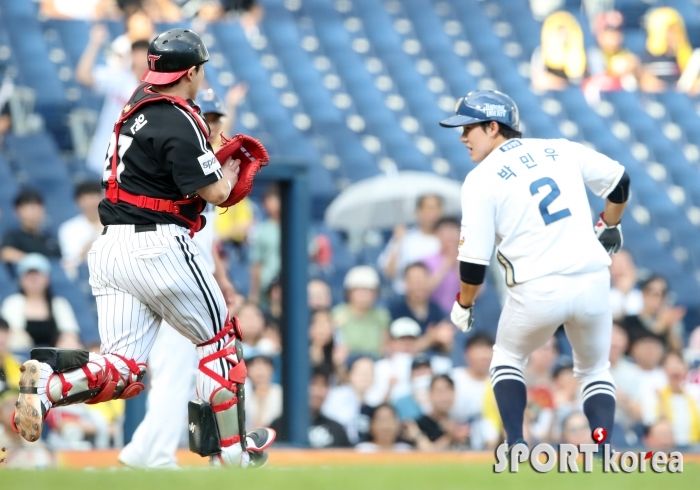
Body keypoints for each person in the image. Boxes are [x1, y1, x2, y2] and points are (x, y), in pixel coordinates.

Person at [11, 29, 274, 468]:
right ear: (190, 72)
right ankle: (233, 455)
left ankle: (49, 390)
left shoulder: (133, 105)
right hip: (159, 246)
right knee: (220, 343)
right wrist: (227, 168)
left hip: (111, 248)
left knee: (125, 369)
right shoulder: (179, 116)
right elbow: (216, 193)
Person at [441, 89, 630, 451]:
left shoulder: (481, 179)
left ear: (493, 127)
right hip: (591, 280)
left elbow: (472, 263)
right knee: (594, 371)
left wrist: (464, 305)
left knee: (508, 359)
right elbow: (620, 182)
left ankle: (515, 444)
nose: (463, 137)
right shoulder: (560, 147)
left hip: (538, 289)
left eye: (468, 128)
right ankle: (603, 446)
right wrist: (609, 223)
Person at [118, 87, 247, 470]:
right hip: (174, 277)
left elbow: (207, 239)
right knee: (174, 372)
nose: (216, 126)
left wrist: (221, 281)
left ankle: (141, 450)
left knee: (180, 372)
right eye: (210, 118)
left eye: (219, 120)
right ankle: (154, 455)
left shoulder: (199, 155)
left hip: (189, 274)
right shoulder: (181, 155)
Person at [75, 25, 149, 176]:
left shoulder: (159, 89)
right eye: (137, 53)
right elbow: (83, 76)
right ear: (132, 55)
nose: (141, 58)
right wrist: (94, 44)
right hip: (106, 154)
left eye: (146, 54)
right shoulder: (118, 77)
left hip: (137, 163)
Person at [1, 254, 81, 351]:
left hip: (55, 359)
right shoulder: (12, 303)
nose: (33, 280)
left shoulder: (59, 304)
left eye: (37, 275)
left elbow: (70, 332)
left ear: (47, 278)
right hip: (20, 359)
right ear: (21, 279)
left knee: (70, 341)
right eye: (29, 276)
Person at [271, 367, 351, 448]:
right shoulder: (280, 426)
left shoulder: (336, 429)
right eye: (313, 384)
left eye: (324, 385)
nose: (318, 393)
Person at [378, 195, 442, 295]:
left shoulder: (447, 241)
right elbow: (389, 272)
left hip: (437, 300)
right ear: (417, 212)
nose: (431, 213)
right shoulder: (404, 237)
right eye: (427, 208)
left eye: (435, 208)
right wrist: (397, 241)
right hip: (404, 299)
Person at [449, 333, 500, 450]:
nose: (484, 356)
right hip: (453, 437)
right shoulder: (453, 378)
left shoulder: (497, 384)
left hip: (489, 442)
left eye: (488, 351)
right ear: (466, 354)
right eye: (479, 351)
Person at [644, 351, 700, 448]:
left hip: (694, 447)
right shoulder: (654, 395)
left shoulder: (695, 394)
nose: (675, 367)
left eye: (679, 362)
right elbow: (652, 426)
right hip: (665, 449)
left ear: (686, 368)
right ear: (662, 369)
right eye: (669, 364)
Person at [332, 266, 391, 357]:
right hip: (346, 363)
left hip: (375, 362)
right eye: (359, 290)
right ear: (349, 292)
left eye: (369, 290)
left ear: (375, 293)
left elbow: (385, 347)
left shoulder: (381, 315)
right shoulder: (337, 313)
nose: (364, 294)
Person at [365, 317, 423, 407]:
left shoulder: (427, 365)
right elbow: (373, 403)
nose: (407, 343)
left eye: (411, 339)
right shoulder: (379, 367)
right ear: (391, 342)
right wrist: (390, 388)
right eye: (401, 339)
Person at [640, 7, 699, 94]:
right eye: (669, 31)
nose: (674, 35)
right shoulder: (649, 57)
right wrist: (670, 89)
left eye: (676, 30)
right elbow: (646, 82)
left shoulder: (682, 56)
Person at [621, 275, 685, 352]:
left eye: (661, 294)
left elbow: (677, 351)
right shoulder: (629, 321)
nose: (656, 299)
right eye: (652, 293)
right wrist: (658, 329)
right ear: (643, 293)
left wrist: (669, 328)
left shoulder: (669, 323)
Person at [321, 356, 375, 444]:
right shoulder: (336, 396)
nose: (365, 377)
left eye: (369, 373)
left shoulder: (372, 403)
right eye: (361, 372)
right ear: (349, 374)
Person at [407, 375, 468, 451]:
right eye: (440, 391)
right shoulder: (417, 425)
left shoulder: (459, 424)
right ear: (430, 394)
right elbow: (428, 454)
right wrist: (449, 437)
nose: (444, 396)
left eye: (448, 391)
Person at [1, 190, 61, 266]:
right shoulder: (13, 235)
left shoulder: (50, 238)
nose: (34, 211)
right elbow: (6, 253)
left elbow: (59, 261)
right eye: (30, 206)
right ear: (17, 210)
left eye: (38, 205)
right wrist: (35, 262)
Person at [584, 11, 639, 94]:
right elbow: (600, 79)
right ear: (599, 35)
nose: (614, 36)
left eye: (617, 32)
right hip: (601, 95)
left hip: (620, 93)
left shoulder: (624, 53)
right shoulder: (594, 54)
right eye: (609, 32)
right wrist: (618, 72)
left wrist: (635, 68)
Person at [58, 182, 104, 280]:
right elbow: (72, 264)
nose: (93, 202)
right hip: (88, 277)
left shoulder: (115, 223)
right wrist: (94, 235)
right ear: (78, 202)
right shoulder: (69, 228)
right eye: (88, 198)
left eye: (96, 197)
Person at [531, 11, 587, 91]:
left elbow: (577, 79)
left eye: (565, 33)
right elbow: (537, 82)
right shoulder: (542, 52)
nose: (563, 36)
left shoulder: (576, 52)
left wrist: (559, 81)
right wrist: (559, 82)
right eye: (560, 33)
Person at [388, 263, 447, 335]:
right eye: (414, 280)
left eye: (422, 279)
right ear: (405, 282)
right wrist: (429, 339)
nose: (419, 284)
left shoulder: (437, 311)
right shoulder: (395, 310)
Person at [608, 323, 643, 445]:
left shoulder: (634, 372)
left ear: (626, 343)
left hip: (624, 430)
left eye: (617, 338)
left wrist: (625, 400)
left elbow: (640, 415)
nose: (612, 343)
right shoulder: (585, 369)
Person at [421, 217, 462, 315]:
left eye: (453, 232)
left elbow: (476, 293)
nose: (450, 237)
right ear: (437, 235)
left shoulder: (469, 260)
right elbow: (424, 289)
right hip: (435, 314)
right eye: (446, 233)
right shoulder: (426, 261)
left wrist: (457, 266)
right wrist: (446, 264)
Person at [248, 185, 281, 305]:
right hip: (267, 288)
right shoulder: (262, 230)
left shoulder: (299, 227)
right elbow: (256, 264)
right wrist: (254, 295)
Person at [245, 355, 282, 429]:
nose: (259, 369)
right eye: (253, 366)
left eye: (264, 365)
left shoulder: (280, 392)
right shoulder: (244, 397)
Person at [309, 309, 347, 377]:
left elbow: (341, 382)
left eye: (327, 324)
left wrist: (338, 365)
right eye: (319, 324)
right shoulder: (298, 351)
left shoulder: (333, 352)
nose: (323, 329)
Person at [608, 249, 643, 320]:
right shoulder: (604, 298)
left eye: (623, 264)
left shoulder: (644, 297)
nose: (620, 270)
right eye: (615, 265)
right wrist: (623, 293)